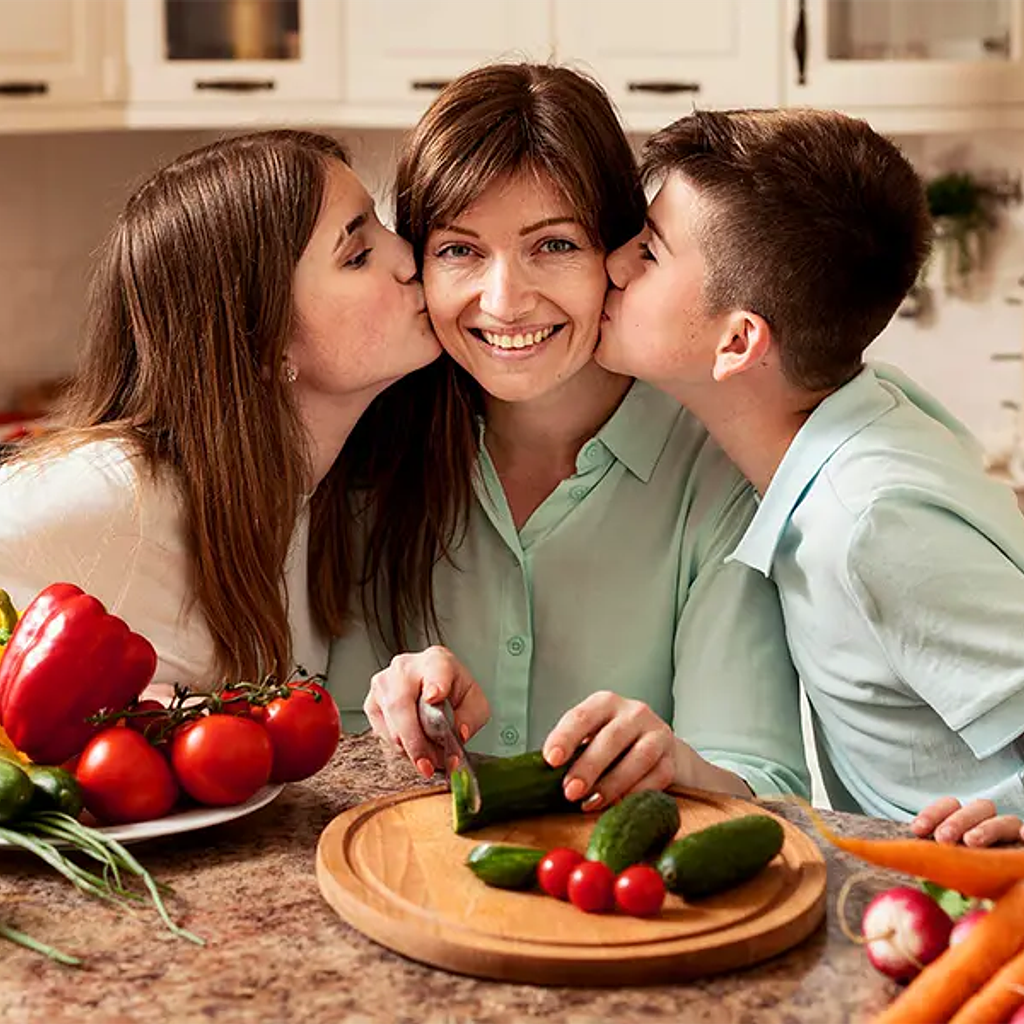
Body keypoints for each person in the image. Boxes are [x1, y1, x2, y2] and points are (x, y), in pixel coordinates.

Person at [327, 63, 810, 811]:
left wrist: (676, 762)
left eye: (553, 245)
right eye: (460, 250)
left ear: (619, 253)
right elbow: (321, 748)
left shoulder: (715, 468)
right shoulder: (366, 448)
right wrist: (391, 714)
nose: (504, 302)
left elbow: (769, 788)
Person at [600, 107, 1024, 845]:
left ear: (738, 342)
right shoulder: (865, 414)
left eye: (649, 254)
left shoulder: (866, 520)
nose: (613, 264)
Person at [0, 129, 444, 693]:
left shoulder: (312, 493)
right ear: (263, 341)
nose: (409, 258)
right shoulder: (119, 493)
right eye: (357, 256)